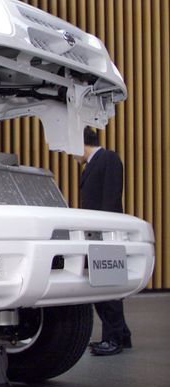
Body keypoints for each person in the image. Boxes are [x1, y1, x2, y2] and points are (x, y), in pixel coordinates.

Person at [77, 127, 132, 356]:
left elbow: (111, 198)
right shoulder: (91, 164)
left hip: (105, 235)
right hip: (96, 234)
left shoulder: (108, 158)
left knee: (106, 291)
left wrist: (106, 232)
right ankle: (123, 335)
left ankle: (113, 340)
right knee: (104, 288)